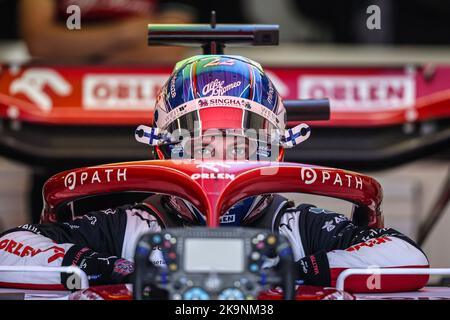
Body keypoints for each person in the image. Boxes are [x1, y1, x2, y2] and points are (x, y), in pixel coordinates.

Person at [0, 55, 429, 293]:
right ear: (163, 147)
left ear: (275, 146)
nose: (220, 159)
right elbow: (10, 248)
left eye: (241, 144)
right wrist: (102, 267)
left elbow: (407, 258)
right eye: (202, 145)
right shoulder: (132, 224)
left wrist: (302, 270)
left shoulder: (296, 224)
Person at [19, 0, 196, 64]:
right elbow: (39, 42)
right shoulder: (128, 31)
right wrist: (127, 33)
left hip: (142, 96)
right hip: (58, 92)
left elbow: (171, 46)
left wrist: (75, 51)